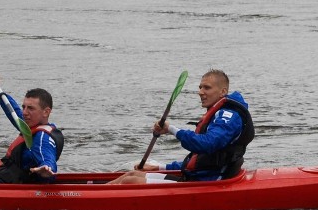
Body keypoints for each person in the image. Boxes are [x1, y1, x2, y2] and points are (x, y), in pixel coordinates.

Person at [109, 69, 254, 184]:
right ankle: (91, 194)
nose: (200, 92)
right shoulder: (219, 114)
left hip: (212, 181)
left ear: (223, 92)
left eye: (207, 88)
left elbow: (208, 144)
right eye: (200, 87)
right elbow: (197, 162)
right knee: (133, 174)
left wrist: (171, 129)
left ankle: (91, 200)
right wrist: (160, 167)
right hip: (199, 177)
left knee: (131, 181)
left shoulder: (228, 117)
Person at [0, 74, 63, 183]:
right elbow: (13, 111)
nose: (25, 112)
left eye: (31, 108)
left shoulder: (42, 137)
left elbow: (47, 156)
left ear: (46, 112)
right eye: (24, 107)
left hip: (13, 189)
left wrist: (46, 169)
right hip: (8, 183)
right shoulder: (30, 125)